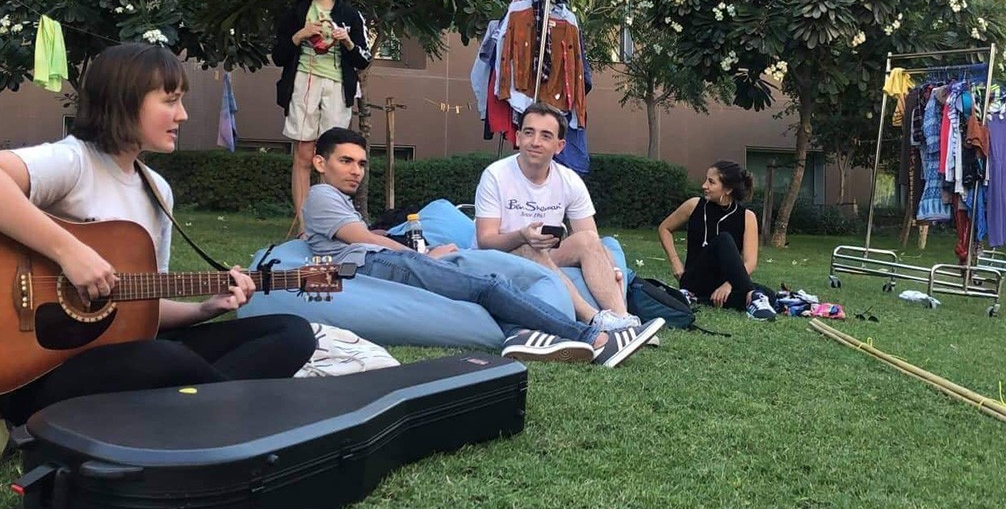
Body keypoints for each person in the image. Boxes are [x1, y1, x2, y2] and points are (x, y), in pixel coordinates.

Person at [0, 44, 316, 427]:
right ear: (125, 100)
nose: (182, 114)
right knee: (167, 359)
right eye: (170, 101)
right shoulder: (74, 161)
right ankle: (220, 417)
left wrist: (204, 309)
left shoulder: (157, 191)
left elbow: (147, 306)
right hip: (38, 371)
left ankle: (194, 414)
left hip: (123, 355)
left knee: (292, 333)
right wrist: (71, 253)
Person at [302, 128, 663, 367]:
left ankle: (524, 336)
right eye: (345, 161)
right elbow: (364, 241)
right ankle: (595, 338)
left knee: (481, 292)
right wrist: (423, 255)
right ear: (320, 163)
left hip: (379, 262)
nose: (357, 170)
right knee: (489, 286)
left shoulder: (332, 200)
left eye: (361, 163)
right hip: (378, 264)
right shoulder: (321, 195)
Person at [474, 104, 639, 332]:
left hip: (546, 254)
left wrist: (612, 268)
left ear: (559, 146)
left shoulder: (569, 180)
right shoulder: (495, 175)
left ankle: (623, 319)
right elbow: (485, 240)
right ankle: (593, 319)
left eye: (545, 136)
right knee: (531, 248)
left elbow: (591, 238)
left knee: (587, 239)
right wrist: (522, 236)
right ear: (518, 137)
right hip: (498, 257)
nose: (535, 142)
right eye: (529, 132)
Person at [272, 0, 371, 232]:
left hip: (338, 86)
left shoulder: (349, 14)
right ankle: (305, 227)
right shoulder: (296, 11)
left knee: (334, 157)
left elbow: (363, 59)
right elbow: (278, 55)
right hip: (304, 81)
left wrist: (348, 42)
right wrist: (299, 35)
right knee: (304, 154)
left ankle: (330, 224)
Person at [657, 160, 776, 321]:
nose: (704, 185)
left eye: (711, 182)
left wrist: (728, 285)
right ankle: (751, 295)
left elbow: (750, 262)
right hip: (695, 278)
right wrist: (676, 263)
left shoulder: (747, 217)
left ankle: (699, 299)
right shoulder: (694, 205)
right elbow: (664, 228)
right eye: (706, 180)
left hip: (723, 282)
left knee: (769, 294)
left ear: (728, 189)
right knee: (724, 240)